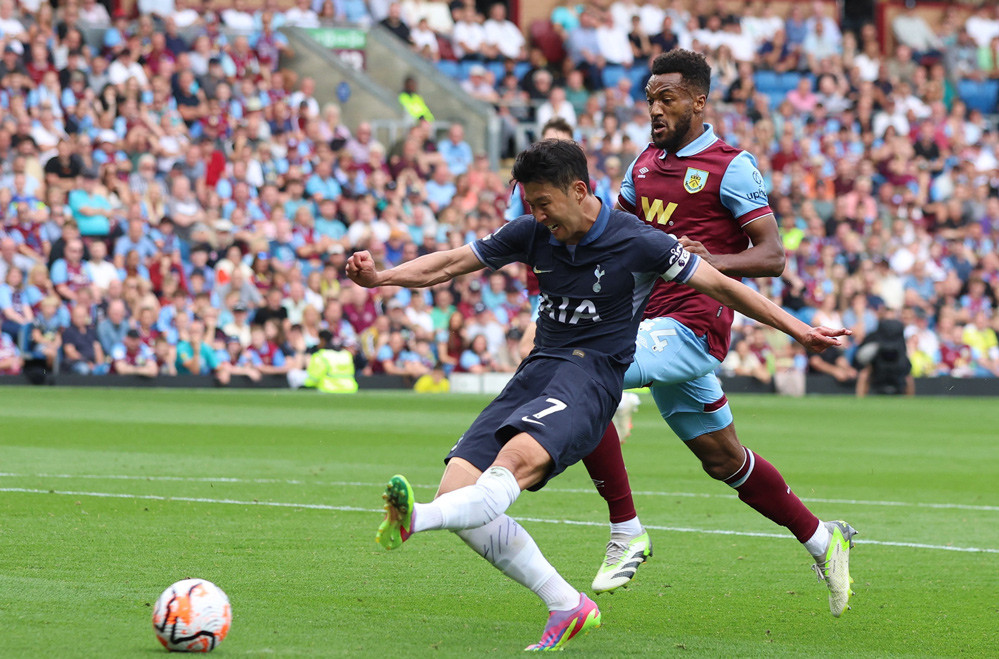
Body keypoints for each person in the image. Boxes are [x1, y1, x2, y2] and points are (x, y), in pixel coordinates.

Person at [346, 139, 848, 650]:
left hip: (591, 378)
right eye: (529, 205)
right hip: (535, 373)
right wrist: (382, 278)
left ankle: (417, 521)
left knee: (511, 466)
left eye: (544, 204)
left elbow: (723, 287)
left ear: (579, 190)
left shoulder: (640, 241)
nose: (537, 216)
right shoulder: (532, 232)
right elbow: (450, 264)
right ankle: (567, 603)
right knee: (457, 496)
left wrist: (798, 329)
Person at [615, 49, 857, 616]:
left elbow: (771, 255)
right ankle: (825, 539)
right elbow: (621, 237)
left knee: (586, 366)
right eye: (650, 98)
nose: (654, 108)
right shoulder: (643, 164)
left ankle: (623, 528)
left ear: (699, 102)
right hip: (651, 324)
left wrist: (711, 262)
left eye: (666, 98)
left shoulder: (732, 165)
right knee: (724, 460)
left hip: (692, 327)